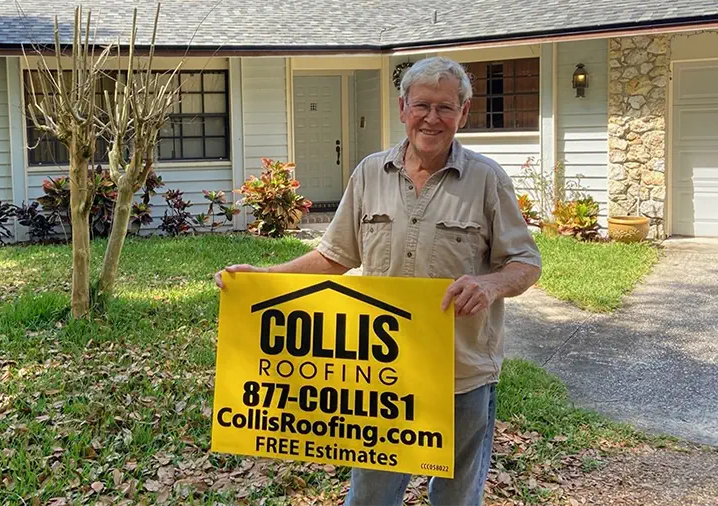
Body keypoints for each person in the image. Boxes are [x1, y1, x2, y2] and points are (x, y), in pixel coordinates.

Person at [214, 56, 542, 506]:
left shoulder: (487, 180)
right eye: (422, 105)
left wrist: (490, 285)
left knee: (456, 499)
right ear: (404, 107)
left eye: (446, 108)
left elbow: (525, 263)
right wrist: (264, 280)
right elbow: (334, 257)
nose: (432, 118)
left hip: (460, 375)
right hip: (381, 377)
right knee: (369, 497)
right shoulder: (370, 173)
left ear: (463, 114)